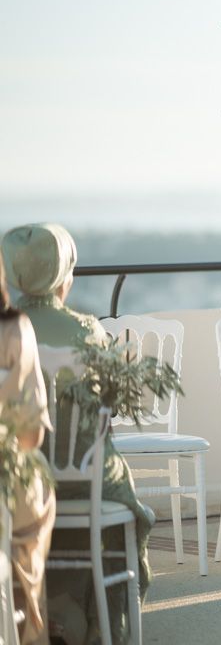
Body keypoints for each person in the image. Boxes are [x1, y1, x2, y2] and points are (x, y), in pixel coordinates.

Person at [2, 223, 152, 645]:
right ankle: (99, 621)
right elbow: (109, 407)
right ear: (63, 276)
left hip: (19, 488)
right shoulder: (88, 332)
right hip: (86, 486)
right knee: (123, 493)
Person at [0, 253, 55, 644]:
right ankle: (28, 627)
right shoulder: (15, 329)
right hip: (8, 487)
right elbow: (31, 434)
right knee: (37, 490)